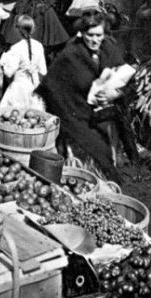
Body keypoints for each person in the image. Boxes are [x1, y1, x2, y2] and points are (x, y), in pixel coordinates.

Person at [37, 10, 135, 184]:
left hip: (104, 114)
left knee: (105, 149)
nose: (95, 40)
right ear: (81, 33)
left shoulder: (109, 48)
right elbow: (52, 87)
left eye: (99, 35)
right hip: (77, 114)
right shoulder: (70, 54)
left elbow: (126, 77)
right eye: (90, 35)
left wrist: (115, 93)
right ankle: (89, 181)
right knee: (93, 153)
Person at [1, 0, 69, 55]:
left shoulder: (19, 5)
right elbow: (60, 38)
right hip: (37, 54)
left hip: (16, 51)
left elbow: (6, 32)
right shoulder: (45, 10)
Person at [0, 14, 48, 111]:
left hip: (19, 88)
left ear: (18, 30)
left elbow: (9, 73)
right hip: (34, 86)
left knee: (11, 115)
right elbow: (43, 71)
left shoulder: (16, 48)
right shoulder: (39, 46)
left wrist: (3, 63)